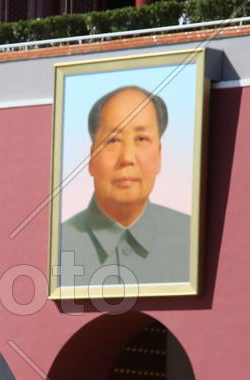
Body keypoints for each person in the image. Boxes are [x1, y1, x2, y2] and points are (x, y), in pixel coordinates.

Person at [60, 85, 190, 287]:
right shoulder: (61, 242)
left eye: (141, 139)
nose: (127, 158)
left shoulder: (189, 236)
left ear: (159, 155)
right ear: (92, 158)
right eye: (113, 140)